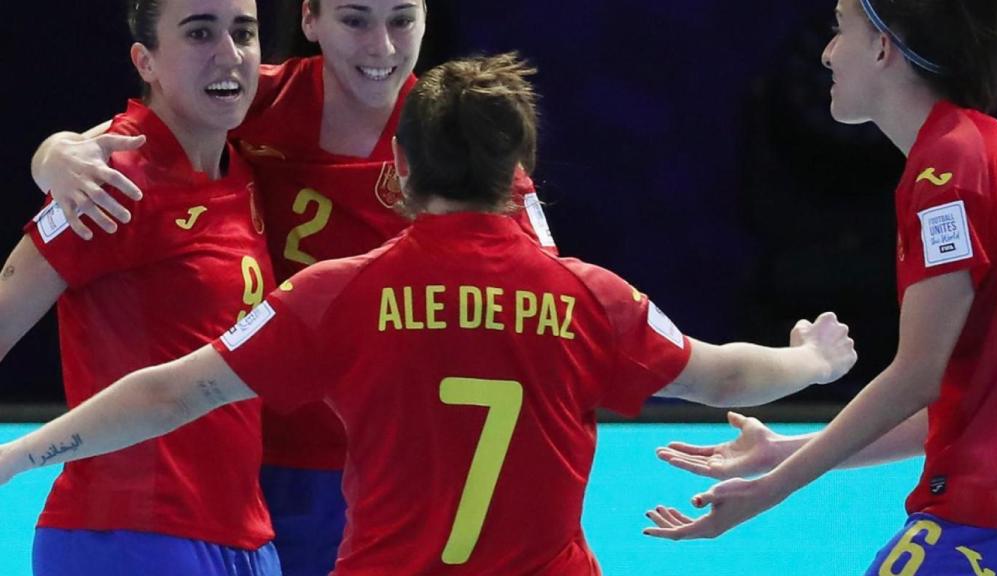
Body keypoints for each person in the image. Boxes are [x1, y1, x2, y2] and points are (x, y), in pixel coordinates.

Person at [3, 53, 856, 575]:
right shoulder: (590, 297)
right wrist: (811, 362)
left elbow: (169, 393)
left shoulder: (337, 292)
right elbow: (722, 376)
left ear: (401, 169)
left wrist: (19, 455)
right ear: (520, 170)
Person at [29, 3, 555, 574]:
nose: (380, 47)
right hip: (263, 464)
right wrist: (52, 154)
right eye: (355, 21)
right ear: (310, 21)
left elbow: (545, 291)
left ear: (426, 19)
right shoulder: (257, 97)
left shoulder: (454, 135)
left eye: (401, 20)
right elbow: (135, 138)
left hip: (395, 466)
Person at [643, 1, 997, 573]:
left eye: (840, 28)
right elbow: (959, 405)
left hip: (993, 511)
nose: (825, 53)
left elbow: (916, 379)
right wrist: (781, 450)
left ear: (881, 47)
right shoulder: (981, 152)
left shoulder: (949, 172)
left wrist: (773, 487)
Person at [2, 0, 282, 574]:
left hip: (245, 537)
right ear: (145, 61)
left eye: (244, 32)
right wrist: (51, 156)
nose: (228, 54)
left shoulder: (245, 163)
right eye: (200, 33)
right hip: (128, 537)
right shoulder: (110, 178)